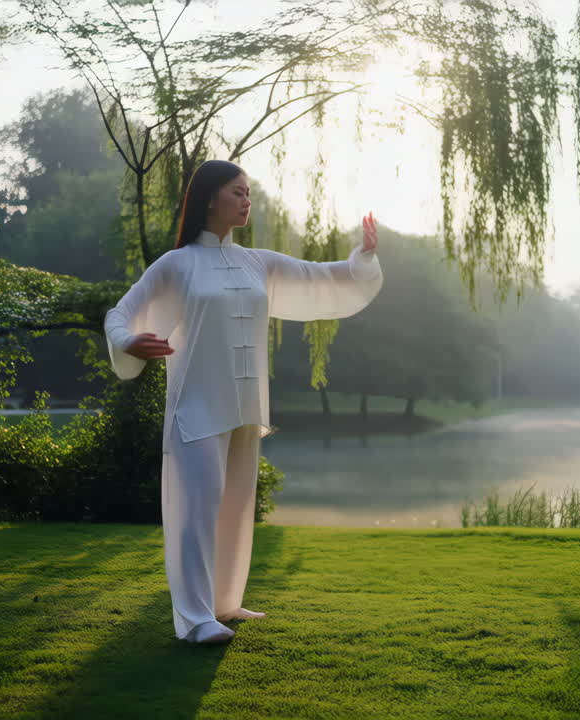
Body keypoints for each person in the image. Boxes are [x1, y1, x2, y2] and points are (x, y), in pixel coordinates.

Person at [103, 159, 383, 645]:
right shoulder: (177, 264)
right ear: (211, 198)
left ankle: (224, 603)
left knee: (235, 506)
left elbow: (322, 278)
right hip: (196, 407)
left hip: (245, 405)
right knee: (198, 508)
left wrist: (361, 258)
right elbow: (121, 312)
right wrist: (128, 341)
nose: (247, 200)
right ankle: (193, 620)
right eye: (239, 192)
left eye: (249, 192)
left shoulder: (259, 262)